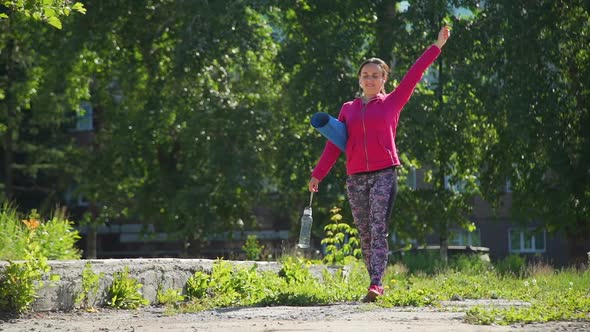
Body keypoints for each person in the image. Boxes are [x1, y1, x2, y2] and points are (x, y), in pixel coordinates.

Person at [308, 26, 450, 302]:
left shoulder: (392, 102)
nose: (370, 79)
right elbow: (333, 144)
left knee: (377, 227)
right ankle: (373, 279)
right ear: (359, 79)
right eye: (365, 75)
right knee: (364, 233)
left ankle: (376, 284)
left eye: (375, 75)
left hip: (384, 173)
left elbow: (415, 73)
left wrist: (437, 46)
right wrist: (317, 175)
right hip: (356, 177)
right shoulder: (347, 109)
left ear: (384, 79)